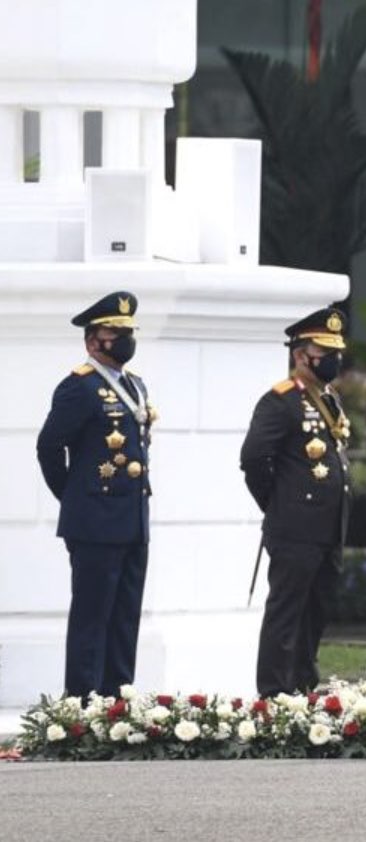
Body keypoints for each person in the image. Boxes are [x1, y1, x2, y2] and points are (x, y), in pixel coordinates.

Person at [37, 291, 156, 699]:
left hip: (132, 519)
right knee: (92, 615)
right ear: (92, 341)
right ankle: (83, 700)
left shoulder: (134, 385)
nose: (124, 340)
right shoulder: (79, 388)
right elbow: (49, 447)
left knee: (125, 617)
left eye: (128, 332)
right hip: (94, 521)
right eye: (114, 333)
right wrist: (75, 499)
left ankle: (117, 699)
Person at [240, 307, 351, 697]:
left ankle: (303, 687)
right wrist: (278, 501)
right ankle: (273, 694)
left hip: (327, 527)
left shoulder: (327, 397)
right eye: (324, 351)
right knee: (286, 614)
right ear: (301, 354)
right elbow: (254, 458)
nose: (333, 359)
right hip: (294, 526)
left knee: (314, 614)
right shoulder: (281, 400)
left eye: (336, 350)